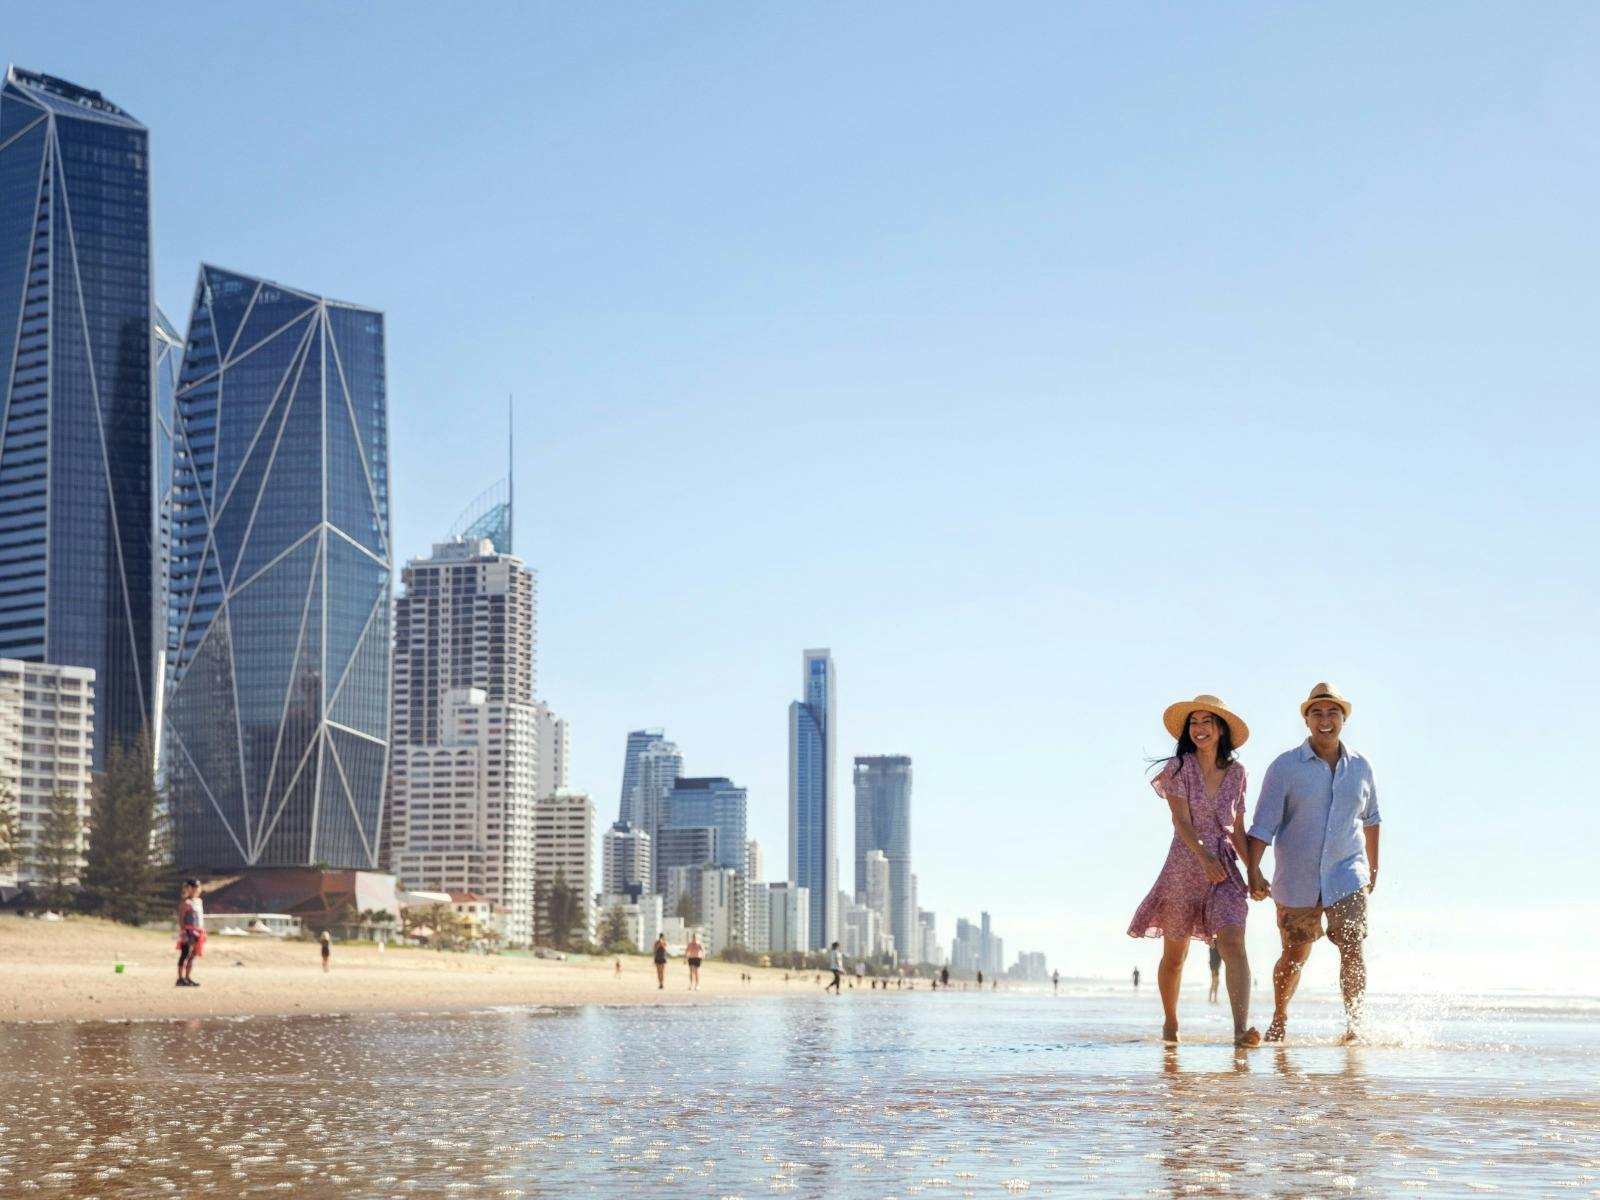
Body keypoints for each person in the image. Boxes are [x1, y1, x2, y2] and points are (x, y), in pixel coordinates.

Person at [1246, 683, 1381, 1044]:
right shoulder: (1285, 767)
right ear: (1306, 721)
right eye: (1317, 713)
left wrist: (1373, 867)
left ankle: (1355, 1027)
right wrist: (1253, 870)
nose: (1325, 720)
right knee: (1294, 954)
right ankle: (1280, 1017)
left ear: (1343, 719)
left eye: (1332, 712)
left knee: (1352, 944)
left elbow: (1371, 819)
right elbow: (1262, 825)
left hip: (1347, 873)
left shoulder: (1362, 767)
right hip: (1297, 877)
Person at [1128, 694, 1261, 1047]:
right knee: (1175, 957)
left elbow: (1238, 827)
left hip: (1225, 869)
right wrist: (1203, 857)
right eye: (1194, 722)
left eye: (1207, 721)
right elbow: (1180, 821)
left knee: (1234, 944)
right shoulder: (1179, 768)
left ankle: (1239, 1030)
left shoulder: (1238, 773)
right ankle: (1171, 1023)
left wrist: (1255, 872)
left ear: (1221, 729)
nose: (1199, 728)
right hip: (1185, 866)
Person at [175, 880, 203, 987]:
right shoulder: (186, 902)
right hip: (188, 931)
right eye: (195, 887)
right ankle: (180, 978)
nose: (197, 890)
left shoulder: (199, 901)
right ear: (189, 888)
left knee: (193, 955)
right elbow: (181, 918)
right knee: (185, 954)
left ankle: (187, 977)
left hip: (198, 931)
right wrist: (183, 932)